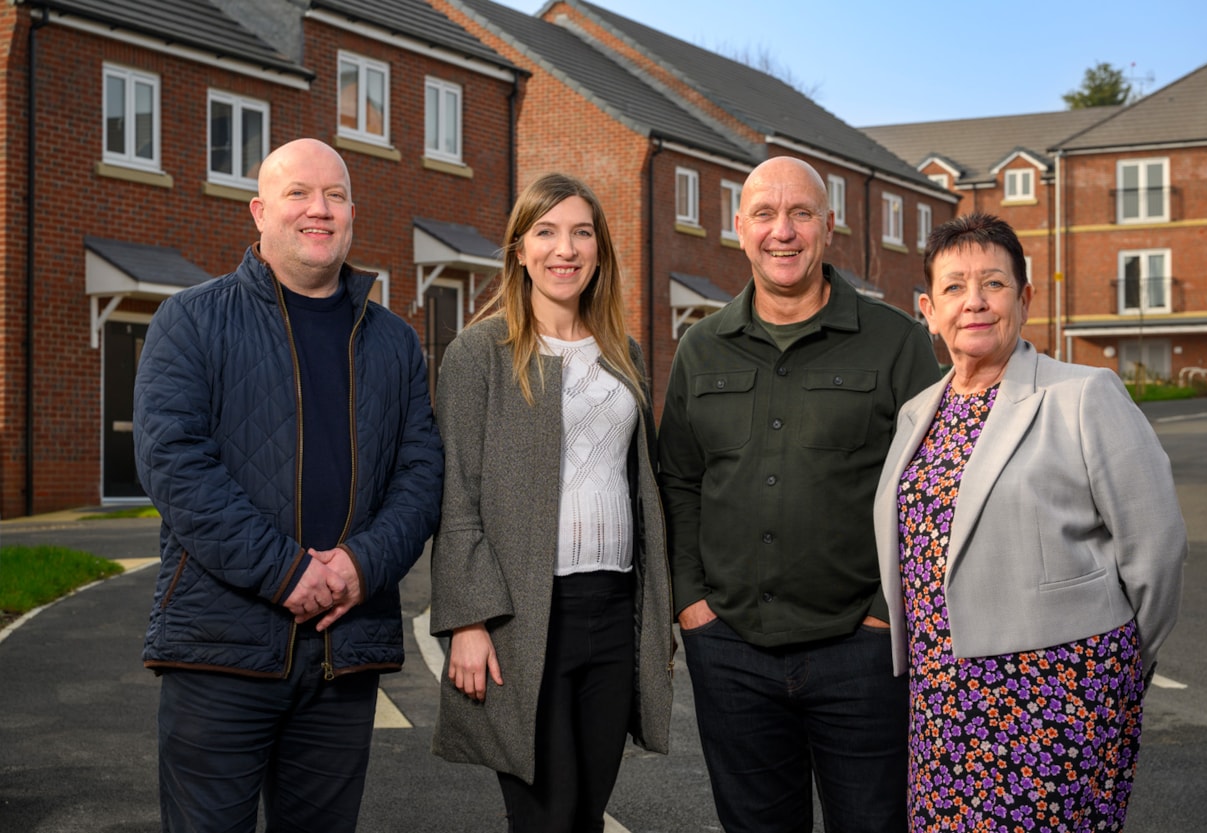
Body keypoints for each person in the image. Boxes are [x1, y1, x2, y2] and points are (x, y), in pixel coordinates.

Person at [133, 137, 443, 832]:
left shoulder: (394, 341)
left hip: (344, 651)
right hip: (222, 649)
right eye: (299, 193)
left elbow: (421, 476)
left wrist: (363, 566)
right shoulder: (191, 321)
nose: (319, 209)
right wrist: (285, 571)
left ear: (353, 213)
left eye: (334, 195)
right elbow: (174, 464)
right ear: (259, 211)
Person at [873, 212, 1187, 831]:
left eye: (994, 284)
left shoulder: (1083, 394)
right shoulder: (916, 413)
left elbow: (1157, 551)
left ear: (1026, 298)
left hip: (1058, 695)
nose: (975, 303)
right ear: (928, 309)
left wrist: (1114, 663)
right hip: (942, 696)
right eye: (955, 287)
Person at [657, 156, 941, 833]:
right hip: (732, 654)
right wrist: (692, 603)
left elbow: (931, 490)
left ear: (828, 227)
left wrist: (883, 615)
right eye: (764, 214)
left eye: (800, 214)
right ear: (739, 228)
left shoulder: (896, 341)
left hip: (864, 654)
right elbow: (680, 481)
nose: (781, 231)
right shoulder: (701, 348)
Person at [429, 172, 673, 833]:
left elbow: (641, 486)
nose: (564, 249)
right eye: (546, 232)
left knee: (586, 813)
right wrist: (468, 621)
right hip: (523, 616)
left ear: (599, 251)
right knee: (547, 816)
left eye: (581, 233)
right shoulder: (480, 353)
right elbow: (457, 494)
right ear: (518, 249)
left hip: (613, 611)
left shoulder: (626, 354)